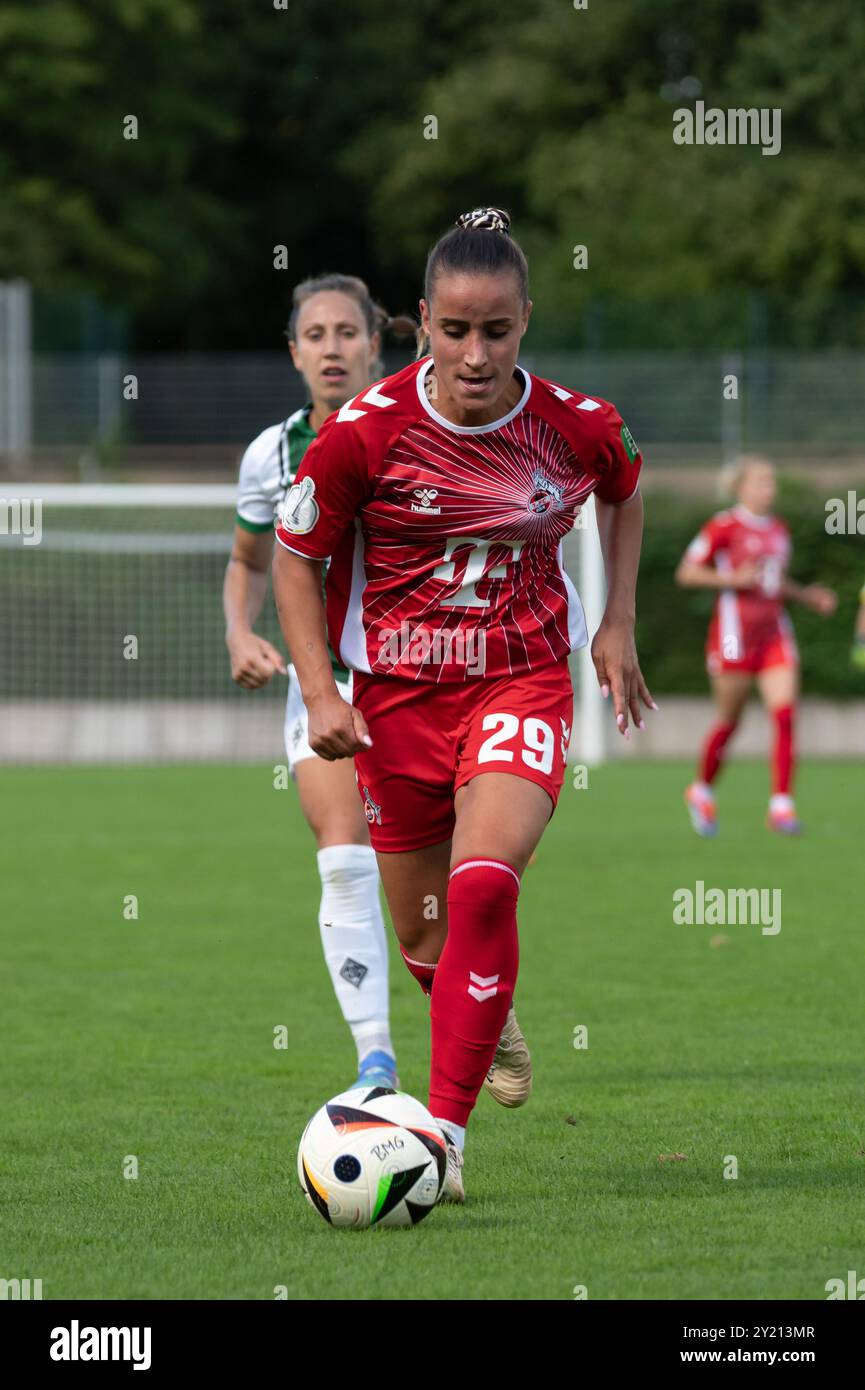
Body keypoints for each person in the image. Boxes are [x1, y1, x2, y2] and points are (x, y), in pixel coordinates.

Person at [272, 207, 653, 1201]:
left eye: (496, 329)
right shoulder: (366, 435)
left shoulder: (575, 425)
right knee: (422, 935)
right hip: (393, 699)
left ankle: (442, 1136)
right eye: (453, 330)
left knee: (484, 883)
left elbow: (623, 488)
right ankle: (485, 1015)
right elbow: (294, 554)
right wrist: (319, 689)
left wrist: (614, 624)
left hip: (518, 679)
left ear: (525, 319)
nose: (475, 353)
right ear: (422, 325)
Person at [224, 273, 413, 1090]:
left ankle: (470, 990)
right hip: (324, 682)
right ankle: (375, 1060)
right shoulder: (272, 452)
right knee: (344, 861)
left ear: (375, 341)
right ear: (294, 350)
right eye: (315, 335)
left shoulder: (421, 426)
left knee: (430, 885)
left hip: (420, 675)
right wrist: (239, 629)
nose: (331, 348)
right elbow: (248, 560)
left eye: (346, 332)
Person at [676, 455, 836, 836]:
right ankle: (702, 790)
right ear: (741, 487)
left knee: (784, 714)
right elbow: (687, 573)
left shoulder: (780, 529)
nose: (770, 489)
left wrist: (806, 595)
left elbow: (772, 581)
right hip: (733, 636)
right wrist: (732, 579)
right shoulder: (723, 526)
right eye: (762, 482)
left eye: (772, 482)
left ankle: (781, 806)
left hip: (774, 634)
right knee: (730, 721)